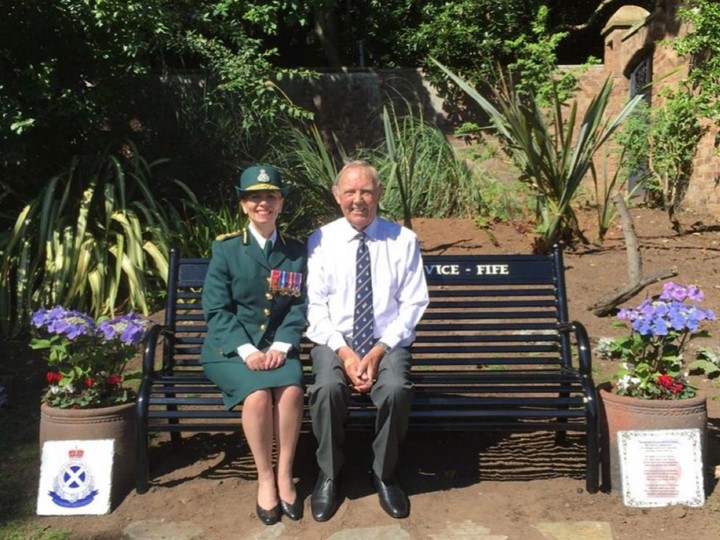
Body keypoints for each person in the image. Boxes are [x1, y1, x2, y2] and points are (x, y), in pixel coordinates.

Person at [305, 160, 429, 521]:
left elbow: (413, 303)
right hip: (335, 340)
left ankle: (384, 473)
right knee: (326, 389)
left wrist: (376, 352)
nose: (358, 200)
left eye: (366, 191)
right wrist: (344, 352)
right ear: (336, 196)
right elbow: (315, 306)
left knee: (395, 389)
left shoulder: (403, 240)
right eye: (350, 192)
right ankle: (329, 473)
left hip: (386, 341)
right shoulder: (321, 240)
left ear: (379, 195)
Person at [200, 165, 307, 525]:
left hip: (278, 348)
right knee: (259, 396)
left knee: (291, 392)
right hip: (230, 351)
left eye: (270, 196)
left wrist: (281, 345)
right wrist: (247, 351)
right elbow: (216, 309)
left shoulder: (295, 251)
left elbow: (299, 306)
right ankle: (264, 477)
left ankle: (284, 473)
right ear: (243, 205)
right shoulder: (227, 250)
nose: (263, 203)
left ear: (280, 203)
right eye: (254, 197)